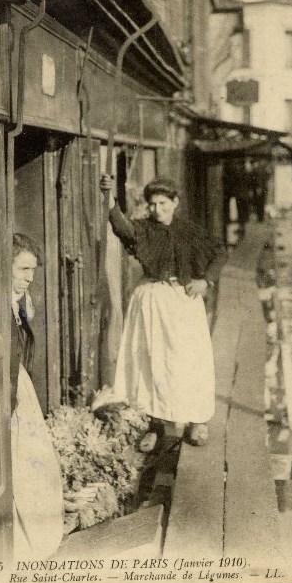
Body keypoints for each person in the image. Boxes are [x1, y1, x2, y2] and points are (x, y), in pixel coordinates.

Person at [98, 176, 227, 449]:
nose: (158, 209)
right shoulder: (143, 230)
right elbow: (121, 228)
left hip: (183, 300)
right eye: (153, 204)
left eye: (163, 204)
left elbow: (219, 252)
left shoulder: (190, 231)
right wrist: (110, 201)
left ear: (175, 203)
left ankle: (197, 421)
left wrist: (206, 281)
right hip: (152, 301)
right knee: (153, 362)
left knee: (190, 361)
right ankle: (155, 425)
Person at [10, 233, 64, 558]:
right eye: (23, 269)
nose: (30, 277)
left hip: (17, 385)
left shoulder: (20, 300)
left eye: (33, 270)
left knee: (32, 460)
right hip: (2, 386)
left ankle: (34, 536)